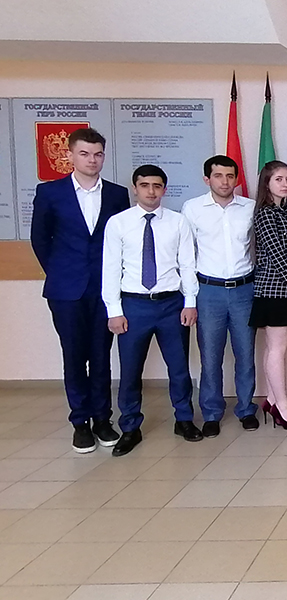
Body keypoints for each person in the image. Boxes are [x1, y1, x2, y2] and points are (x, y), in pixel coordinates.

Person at [30, 128, 130, 453]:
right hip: (66, 290)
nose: (92, 160)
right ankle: (80, 423)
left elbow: (121, 241)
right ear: (70, 155)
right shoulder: (50, 192)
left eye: (98, 154)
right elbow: (40, 239)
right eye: (85, 154)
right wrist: (60, 272)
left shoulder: (116, 194)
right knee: (74, 356)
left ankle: (102, 419)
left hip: (105, 289)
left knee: (101, 356)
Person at [101, 164, 201, 456]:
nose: (151, 191)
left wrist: (190, 302)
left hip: (171, 304)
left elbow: (188, 264)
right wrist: (113, 310)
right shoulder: (118, 223)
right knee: (131, 370)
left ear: (164, 190)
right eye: (145, 185)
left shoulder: (178, 222)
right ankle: (130, 426)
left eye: (157, 186)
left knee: (179, 368)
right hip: (133, 305)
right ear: (135, 189)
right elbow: (110, 268)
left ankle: (184, 419)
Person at [182, 155, 258, 437]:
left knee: (245, 353)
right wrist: (190, 298)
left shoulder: (249, 207)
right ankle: (212, 413)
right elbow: (186, 256)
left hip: (244, 290)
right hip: (209, 291)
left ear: (236, 179)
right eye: (218, 176)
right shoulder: (192, 209)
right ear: (207, 179)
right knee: (210, 356)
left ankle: (246, 408)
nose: (225, 182)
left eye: (230, 176)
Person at [249, 161, 287, 430]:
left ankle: (272, 400)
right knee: (277, 348)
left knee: (276, 347)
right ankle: (282, 407)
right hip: (273, 290)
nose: (285, 184)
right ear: (267, 183)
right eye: (279, 179)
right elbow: (276, 255)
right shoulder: (265, 214)